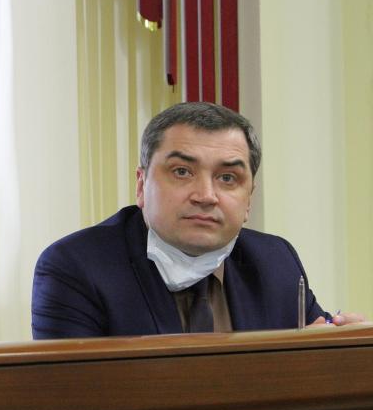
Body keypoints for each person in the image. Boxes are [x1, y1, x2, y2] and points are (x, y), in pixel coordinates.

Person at [32, 101, 364, 339]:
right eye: (182, 172)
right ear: (141, 185)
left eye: (228, 178)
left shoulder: (275, 261)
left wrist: (344, 349)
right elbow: (76, 403)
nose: (206, 195)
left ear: (249, 199)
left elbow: (312, 358)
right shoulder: (77, 267)